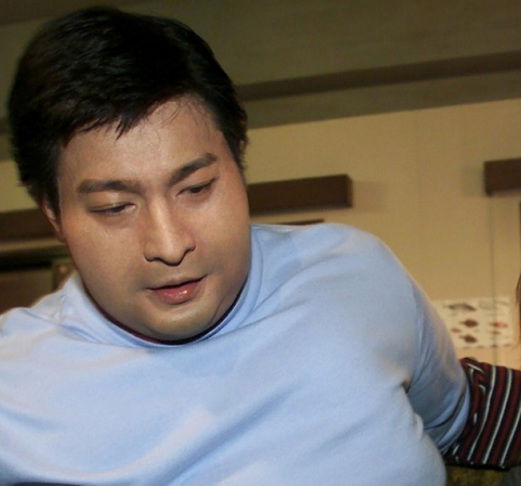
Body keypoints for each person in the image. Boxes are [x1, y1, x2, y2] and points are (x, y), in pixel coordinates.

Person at [1, 7, 519, 485]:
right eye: (115, 207)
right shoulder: (12, 387)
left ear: (239, 163)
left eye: (196, 188)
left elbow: (460, 420)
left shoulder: (357, 272)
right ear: (54, 214)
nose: (170, 244)